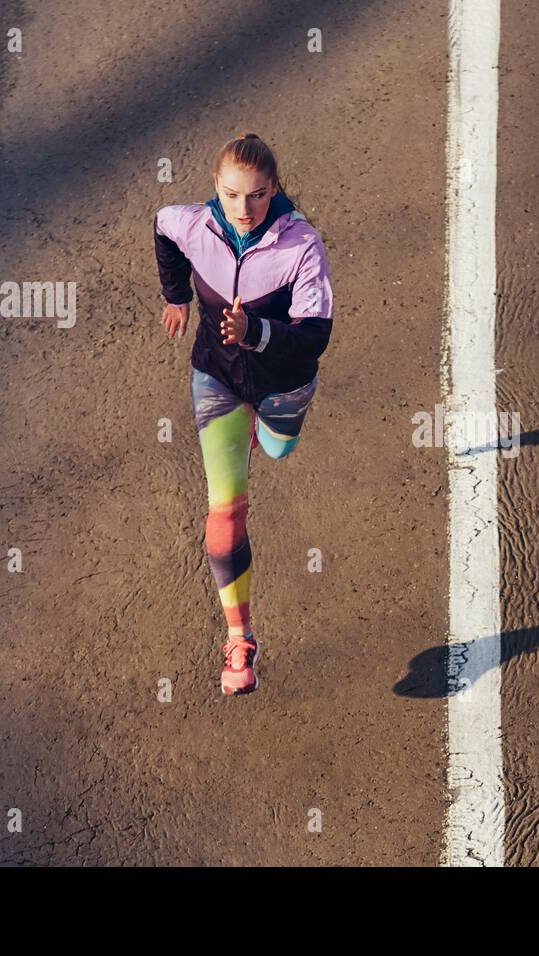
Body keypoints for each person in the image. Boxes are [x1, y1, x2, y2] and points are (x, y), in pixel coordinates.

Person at [153, 132, 334, 696]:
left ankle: (266, 431)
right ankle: (239, 637)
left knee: (280, 448)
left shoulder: (301, 245)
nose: (244, 208)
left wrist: (254, 332)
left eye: (256, 196)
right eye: (232, 195)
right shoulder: (193, 224)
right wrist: (176, 294)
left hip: (284, 383)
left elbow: (315, 338)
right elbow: (161, 227)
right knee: (225, 510)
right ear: (216, 188)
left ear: (273, 189)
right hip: (218, 379)